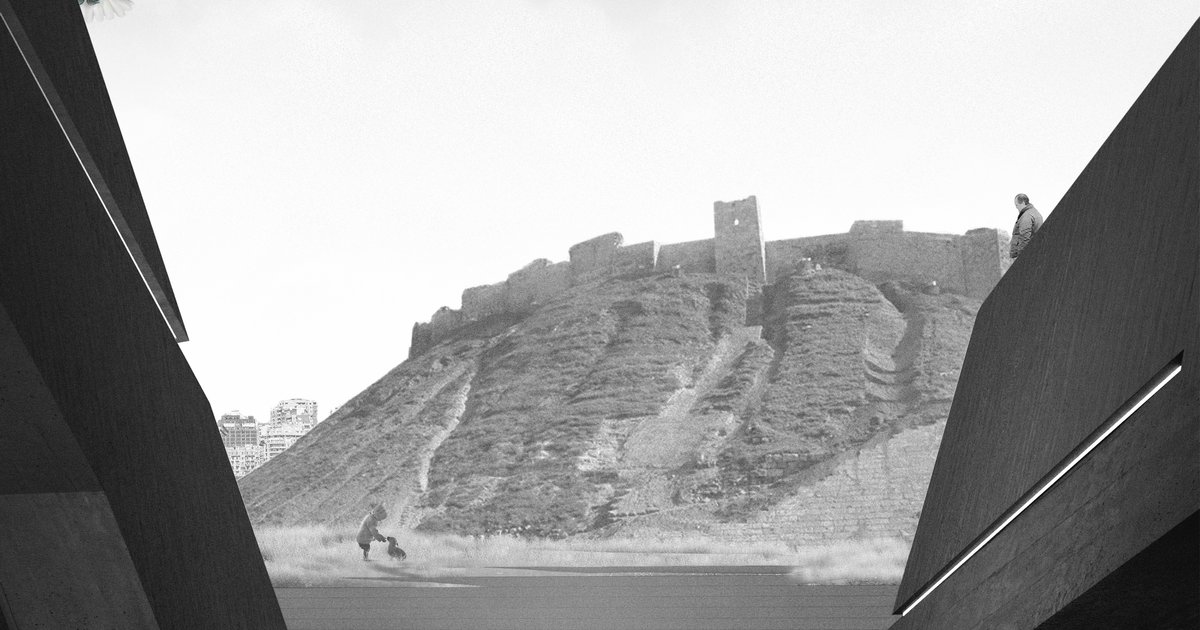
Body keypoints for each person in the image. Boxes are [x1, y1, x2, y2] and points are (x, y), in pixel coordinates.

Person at [1009, 193, 1044, 259]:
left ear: (1022, 203)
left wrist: (1022, 258)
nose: (1016, 208)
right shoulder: (1035, 213)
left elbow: (1024, 239)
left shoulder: (1026, 216)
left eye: (1017, 205)